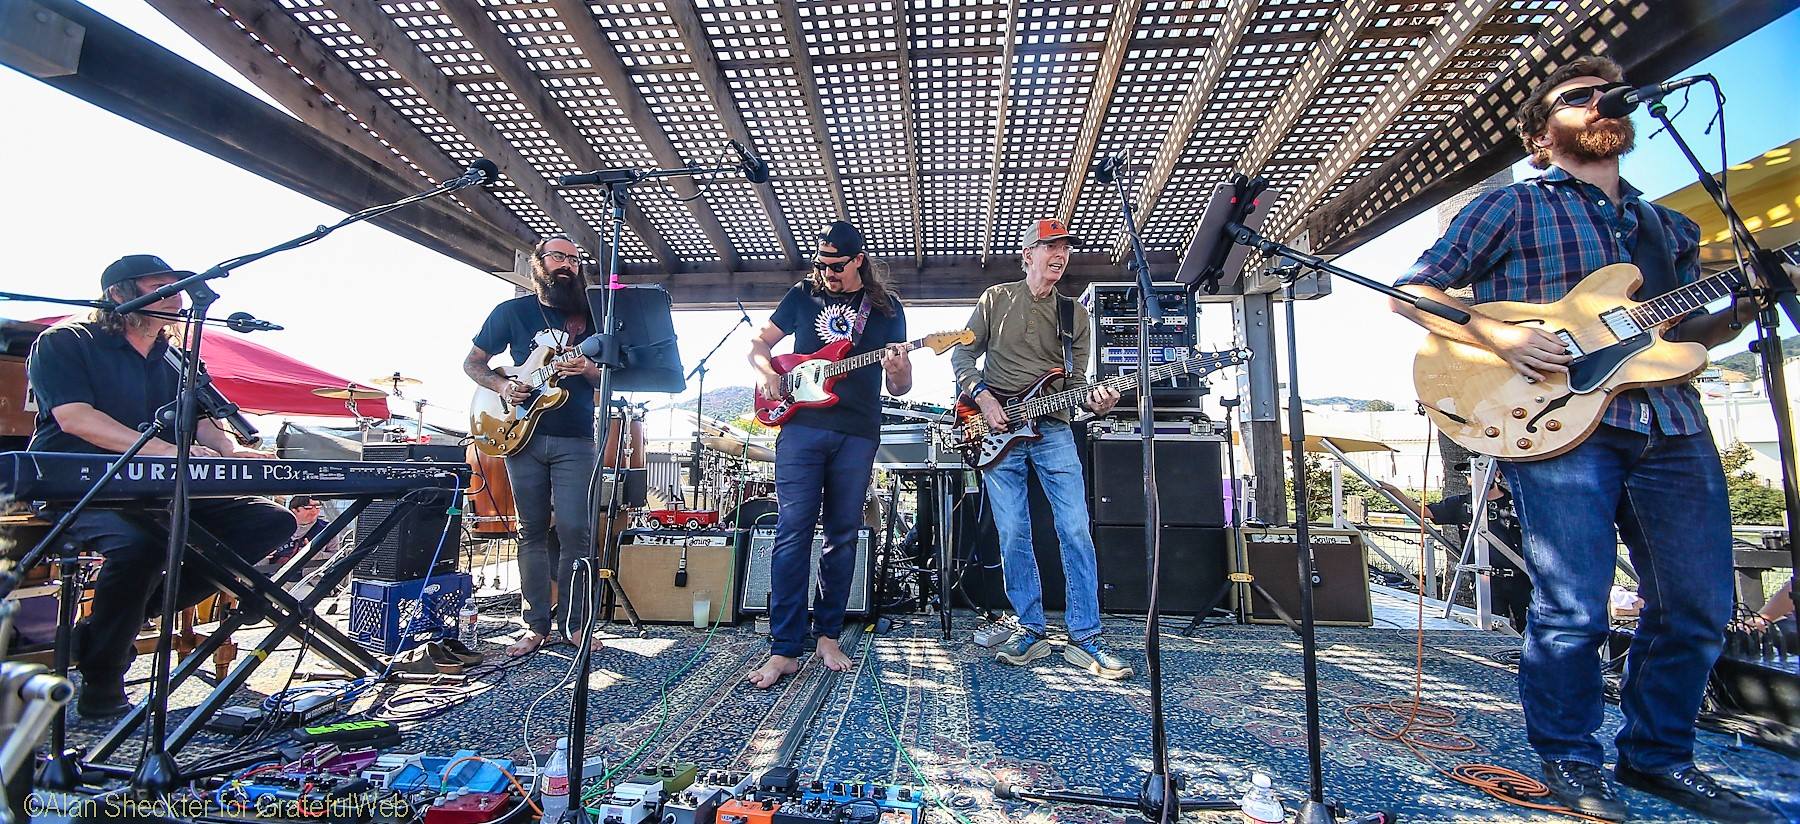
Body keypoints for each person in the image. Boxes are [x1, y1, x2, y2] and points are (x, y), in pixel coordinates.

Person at [1390, 57, 1779, 822]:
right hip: (1561, 426)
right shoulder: (1514, 208)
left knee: (1697, 604)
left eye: (1608, 91)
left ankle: (1659, 755)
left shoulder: (1671, 227)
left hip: (1671, 420)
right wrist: (1501, 341)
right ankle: (1570, 759)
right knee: (1573, 606)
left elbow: (1687, 332)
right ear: (1541, 137)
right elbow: (1415, 290)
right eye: (1579, 96)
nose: (1602, 99)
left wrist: (1738, 307)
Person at [29, 255, 294, 718]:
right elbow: (77, 419)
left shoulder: (175, 355)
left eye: (178, 288)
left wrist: (232, 453)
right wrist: (171, 452)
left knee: (269, 521)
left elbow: (208, 422)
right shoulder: (66, 341)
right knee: (141, 548)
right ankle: (103, 679)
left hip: (158, 490)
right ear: (121, 294)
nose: (176, 297)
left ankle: (118, 621)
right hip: (78, 486)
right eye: (163, 287)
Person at [950, 219, 1130, 680]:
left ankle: (1085, 637)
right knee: (1013, 534)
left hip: (1052, 429)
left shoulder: (1076, 315)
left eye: (1065, 248)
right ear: (1028, 254)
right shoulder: (995, 299)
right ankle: (1030, 628)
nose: (1060, 255)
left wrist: (1099, 404)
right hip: (995, 429)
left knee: (1075, 529)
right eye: (1050, 247)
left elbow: (1075, 387)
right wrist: (985, 400)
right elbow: (961, 356)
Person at [746, 220, 911, 688]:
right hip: (800, 426)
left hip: (857, 430)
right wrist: (765, 373)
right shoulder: (802, 294)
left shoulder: (885, 308)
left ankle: (829, 634)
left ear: (859, 260)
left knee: (844, 533)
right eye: (821, 264)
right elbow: (760, 343)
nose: (827, 273)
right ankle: (784, 649)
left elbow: (901, 383)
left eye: (836, 266)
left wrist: (898, 369)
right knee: (791, 532)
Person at [463, 236, 602, 657]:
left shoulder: (594, 317)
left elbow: (617, 376)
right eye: (559, 256)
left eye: (575, 259)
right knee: (531, 530)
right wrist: (503, 385)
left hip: (576, 435)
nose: (568, 265)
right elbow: (473, 363)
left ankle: (575, 623)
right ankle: (535, 624)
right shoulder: (512, 312)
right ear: (538, 264)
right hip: (519, 434)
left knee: (577, 529)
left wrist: (589, 368)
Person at [1424, 465, 1531, 633]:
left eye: (1479, 472)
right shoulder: (1461, 504)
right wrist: (1391, 491)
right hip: (1486, 580)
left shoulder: (1518, 502)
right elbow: (1425, 512)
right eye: (1469, 474)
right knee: (1493, 631)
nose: (1473, 477)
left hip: (1521, 577)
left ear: (1496, 474)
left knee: (1530, 627)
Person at [262, 495, 341, 574]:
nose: (314, 511)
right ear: (294, 510)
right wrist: (263, 556)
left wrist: (313, 553)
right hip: (273, 577)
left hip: (307, 580)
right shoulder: (275, 527)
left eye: (317, 507)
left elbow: (335, 557)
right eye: (308, 508)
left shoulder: (327, 530)